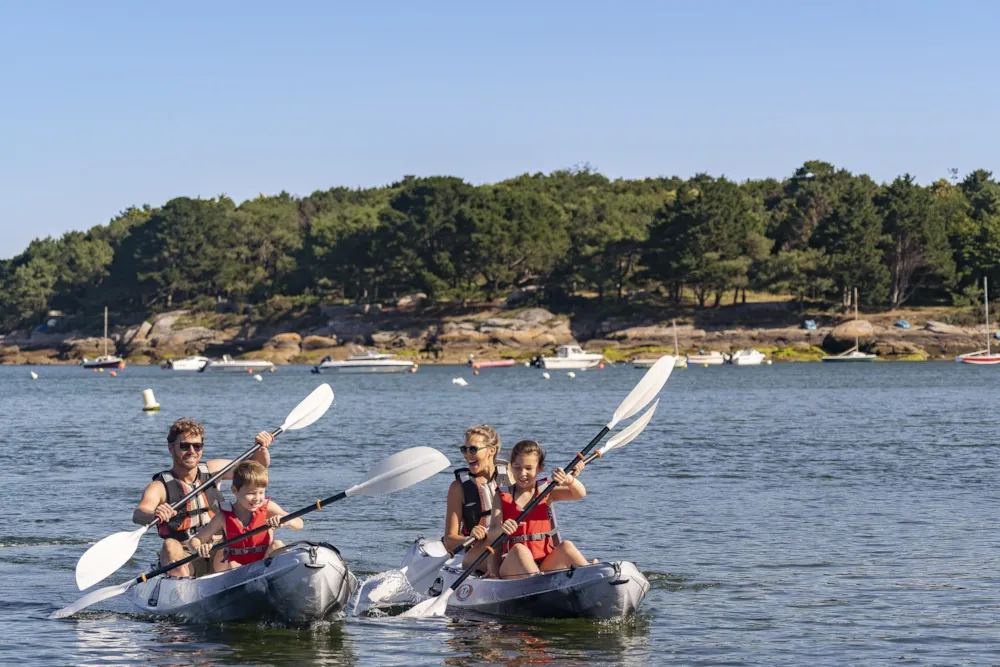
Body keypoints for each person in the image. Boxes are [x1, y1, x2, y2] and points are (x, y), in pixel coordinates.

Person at [132, 417, 274, 577]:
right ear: (171, 448)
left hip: (220, 550)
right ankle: (181, 582)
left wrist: (261, 448)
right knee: (170, 545)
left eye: (197, 446)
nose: (192, 451)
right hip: (186, 555)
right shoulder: (160, 486)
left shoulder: (214, 470)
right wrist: (155, 514)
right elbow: (139, 514)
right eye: (185, 446)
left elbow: (257, 467)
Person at [485, 439, 593, 579]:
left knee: (566, 546)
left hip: (544, 564)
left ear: (540, 468)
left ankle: (592, 575)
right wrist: (502, 529)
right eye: (517, 467)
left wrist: (569, 480)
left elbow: (579, 494)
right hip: (512, 565)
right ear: (511, 467)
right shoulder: (501, 495)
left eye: (529, 468)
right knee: (519, 549)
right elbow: (492, 532)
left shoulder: (546, 491)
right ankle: (538, 584)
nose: (522, 473)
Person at [187, 461, 302, 571]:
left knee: (278, 545)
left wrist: (286, 522)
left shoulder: (268, 508)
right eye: (251, 493)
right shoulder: (223, 516)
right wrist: (198, 548)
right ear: (234, 490)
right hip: (233, 566)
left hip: (262, 562)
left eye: (261, 492)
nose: (257, 498)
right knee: (231, 563)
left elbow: (299, 524)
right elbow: (196, 540)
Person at [443, 424, 512, 571]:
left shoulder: (511, 475)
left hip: (510, 545)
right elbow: (449, 541)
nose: (467, 455)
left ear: (491, 450)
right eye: (464, 449)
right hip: (479, 551)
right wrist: (470, 538)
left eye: (473, 449)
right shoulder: (458, 488)